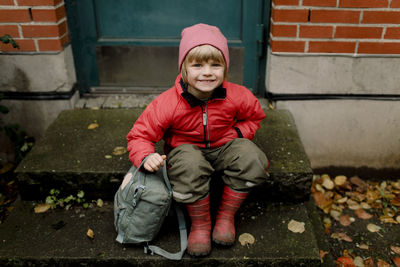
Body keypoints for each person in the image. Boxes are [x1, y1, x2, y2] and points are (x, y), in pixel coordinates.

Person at [126, 23, 269, 256]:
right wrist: (145, 155)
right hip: (186, 151)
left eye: (215, 64)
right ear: (183, 68)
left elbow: (255, 117)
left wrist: (238, 134)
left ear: (225, 67)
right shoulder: (167, 103)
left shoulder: (237, 95)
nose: (207, 72)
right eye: (197, 65)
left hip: (225, 146)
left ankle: (225, 216)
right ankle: (201, 224)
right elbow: (139, 134)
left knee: (253, 158)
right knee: (189, 165)